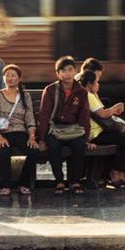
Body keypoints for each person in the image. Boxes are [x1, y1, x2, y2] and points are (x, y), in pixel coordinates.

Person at [37, 56, 91, 195]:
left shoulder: (82, 92)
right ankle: (59, 181)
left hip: (73, 129)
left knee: (79, 145)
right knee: (53, 146)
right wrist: (42, 139)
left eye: (70, 70)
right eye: (63, 71)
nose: (67, 73)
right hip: (55, 129)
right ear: (58, 74)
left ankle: (75, 181)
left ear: (75, 71)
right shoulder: (50, 90)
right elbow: (43, 115)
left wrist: (86, 139)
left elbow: (84, 116)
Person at [0, 64, 39, 195]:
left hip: (20, 132)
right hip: (3, 132)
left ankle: (23, 183)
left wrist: (32, 137)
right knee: (3, 151)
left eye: (13, 75)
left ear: (19, 79)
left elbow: (30, 119)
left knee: (33, 151)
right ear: (3, 78)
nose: (10, 78)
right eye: (7, 75)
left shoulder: (25, 96)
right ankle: (6, 186)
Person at [79, 70, 125, 187]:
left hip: (97, 132)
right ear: (90, 84)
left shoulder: (89, 95)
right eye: (96, 82)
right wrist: (114, 109)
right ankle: (116, 172)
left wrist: (112, 110)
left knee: (123, 141)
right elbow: (102, 114)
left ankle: (117, 173)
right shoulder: (88, 95)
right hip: (96, 134)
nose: (98, 84)